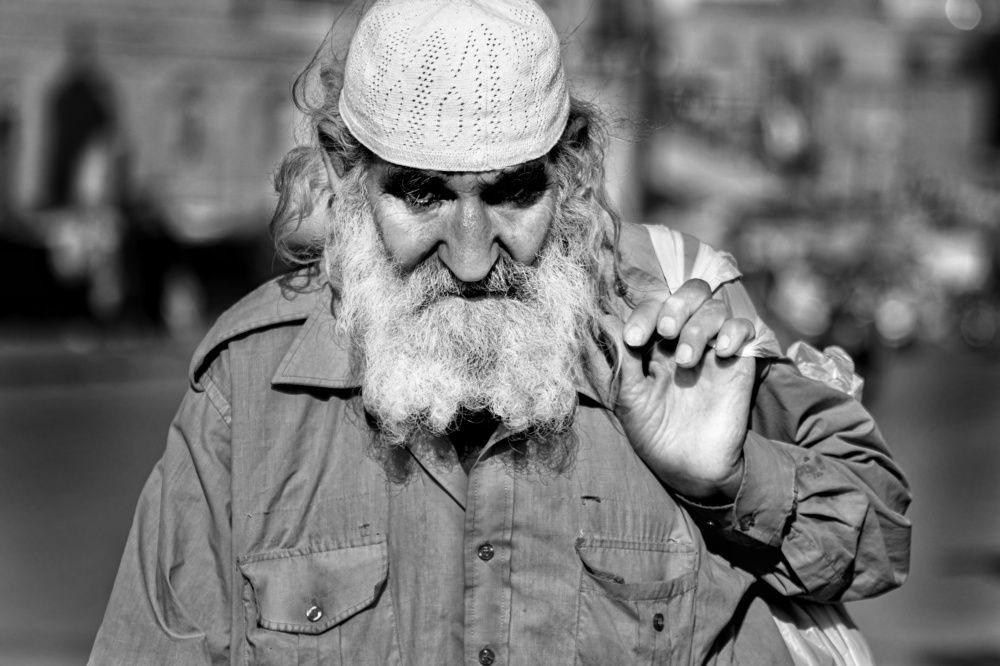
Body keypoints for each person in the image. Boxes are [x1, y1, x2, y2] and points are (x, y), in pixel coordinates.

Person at [89, 1, 911, 664]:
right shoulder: (249, 387)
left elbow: (880, 535)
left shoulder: (664, 333)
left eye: (513, 193)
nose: (474, 255)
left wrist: (727, 479)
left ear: (570, 171)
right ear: (346, 177)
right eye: (422, 195)